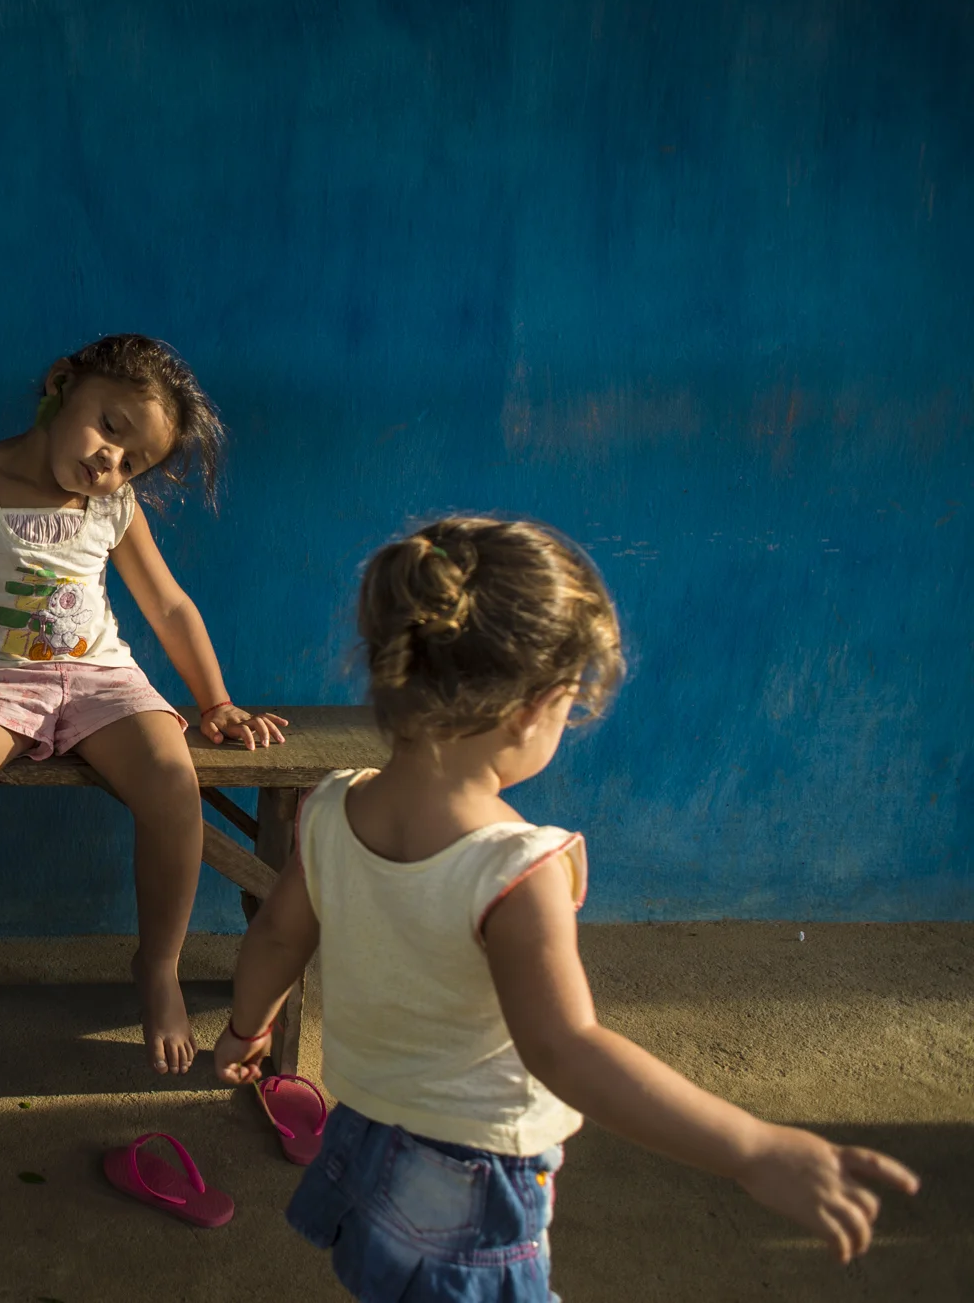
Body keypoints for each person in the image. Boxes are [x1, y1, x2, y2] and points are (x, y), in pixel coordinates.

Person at [214, 516, 919, 1300]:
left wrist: (247, 1029)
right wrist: (751, 1146)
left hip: (367, 1135)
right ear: (533, 706)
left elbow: (277, 934)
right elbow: (566, 1048)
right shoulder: (517, 866)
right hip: (472, 1173)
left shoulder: (326, 807)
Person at [0, 334, 284, 1089]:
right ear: (61, 383)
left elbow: (167, 604)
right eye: (109, 426)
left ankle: (158, 966)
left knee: (174, 782)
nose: (110, 461)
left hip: (103, 679)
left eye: (130, 459)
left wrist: (216, 700)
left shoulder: (115, 506)